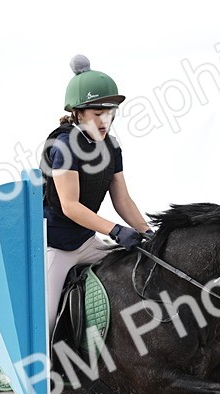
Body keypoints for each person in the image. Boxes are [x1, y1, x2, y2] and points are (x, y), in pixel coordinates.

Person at [39, 54, 153, 333]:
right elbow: (70, 206)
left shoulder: (111, 147)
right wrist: (116, 231)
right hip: (56, 247)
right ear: (78, 112)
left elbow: (122, 199)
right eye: (97, 113)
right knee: (46, 322)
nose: (105, 120)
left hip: (88, 243)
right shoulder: (64, 146)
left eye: (110, 112)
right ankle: (39, 372)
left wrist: (145, 231)